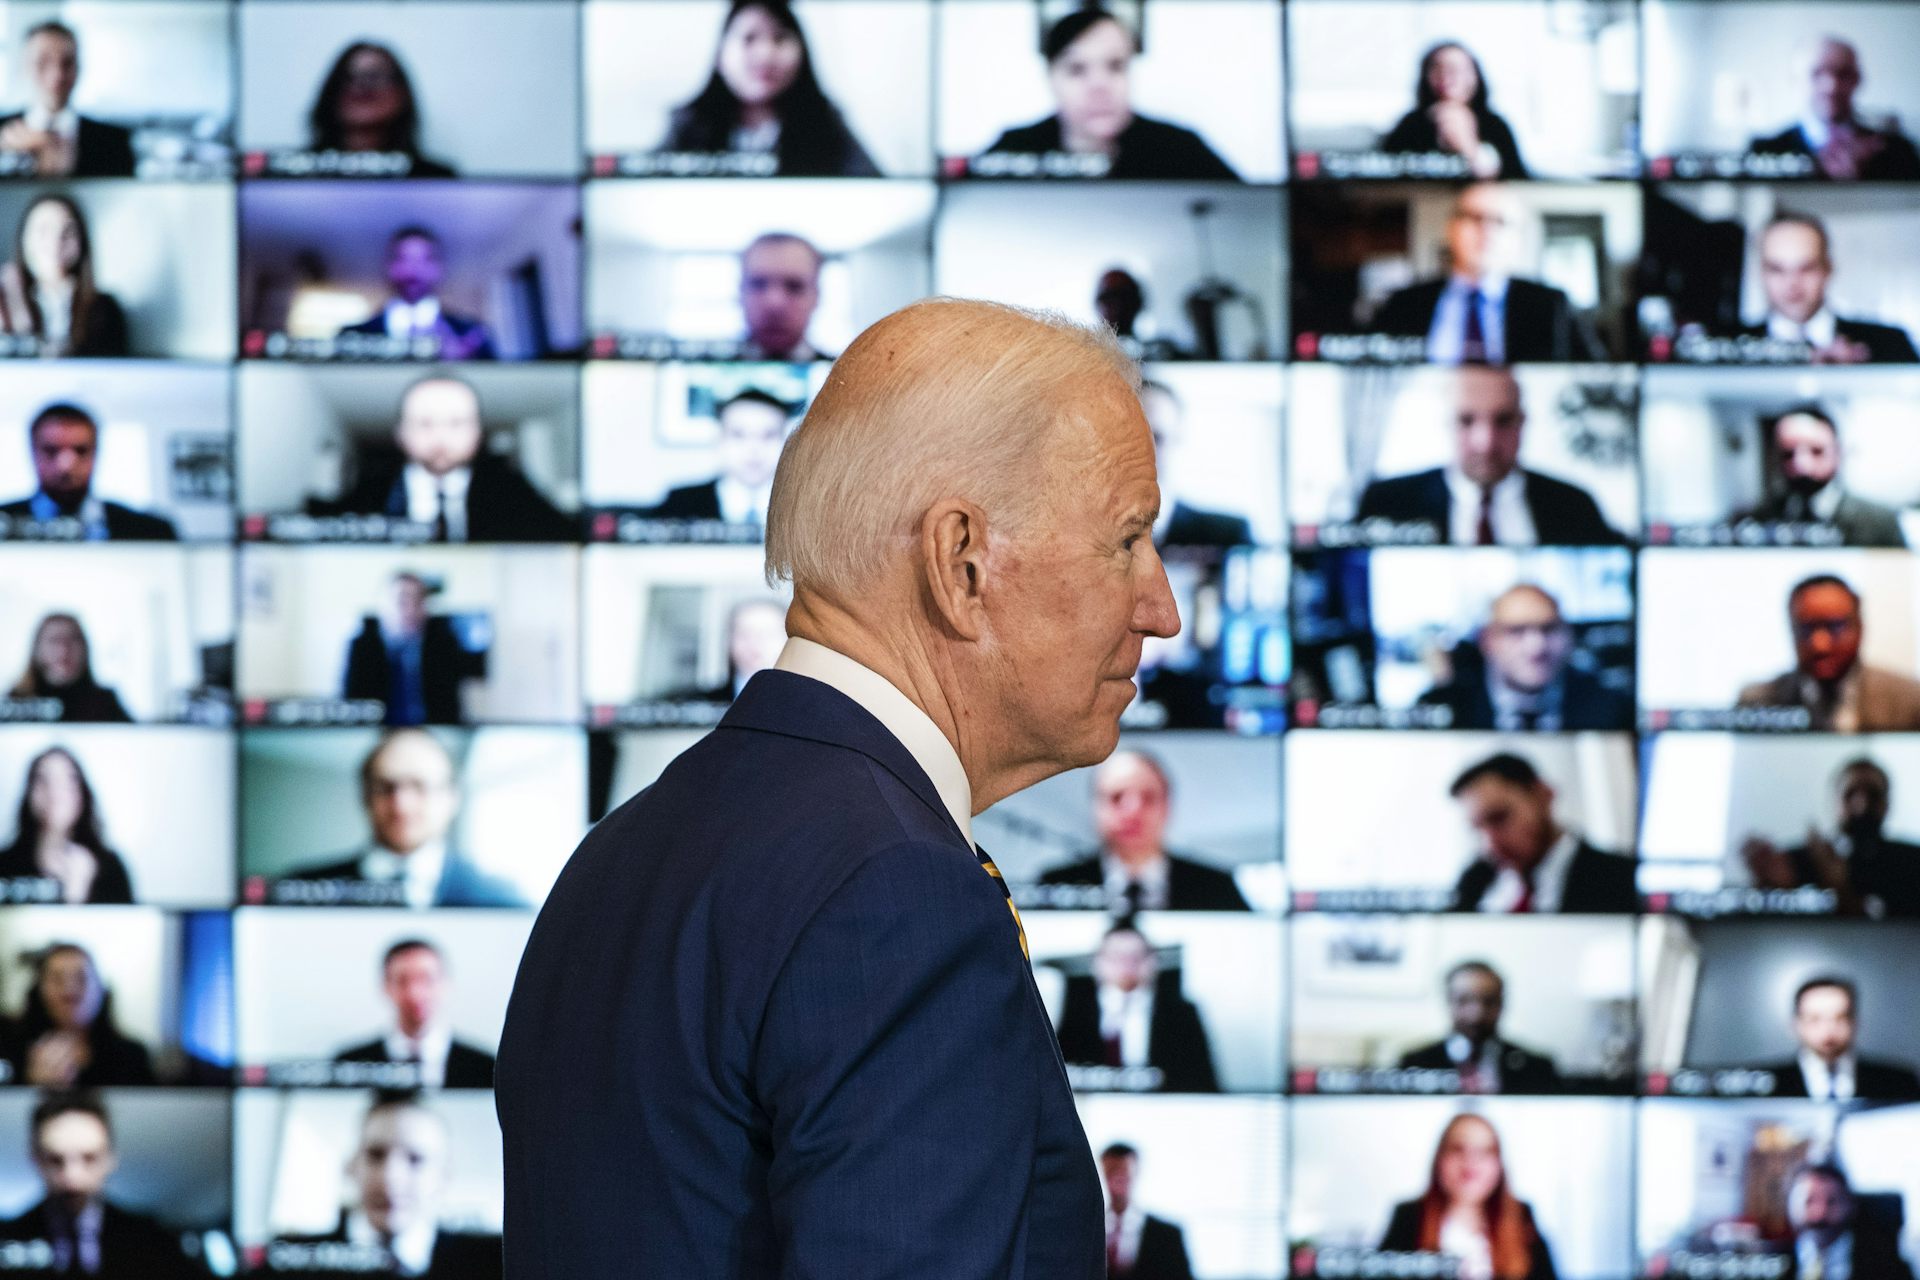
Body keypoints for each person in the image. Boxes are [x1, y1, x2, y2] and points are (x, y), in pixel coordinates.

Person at [498, 298, 1180, 1274]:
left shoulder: (622, 844)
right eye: (1128, 539)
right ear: (962, 563)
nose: (1163, 609)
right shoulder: (900, 887)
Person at [1355, 366, 1621, 545]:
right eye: (1466, 420)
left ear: (1522, 423)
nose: (1485, 442)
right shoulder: (1385, 502)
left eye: (1503, 420)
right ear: (1446, 422)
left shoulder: (1576, 506)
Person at [275, 729, 524, 908]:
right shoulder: (298, 888)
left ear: (452, 798)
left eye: (419, 786)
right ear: (365, 798)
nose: (401, 805)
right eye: (386, 787)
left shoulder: (502, 898)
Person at [981, 8, 1238, 180]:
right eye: (1077, 69)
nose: (1099, 85)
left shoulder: (1183, 151)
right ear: (1051, 78)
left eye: (1115, 66)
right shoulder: (1012, 152)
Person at [269, 1092, 503, 1279]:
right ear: (350, 1166)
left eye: (415, 1159)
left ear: (444, 1176)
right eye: (375, 1155)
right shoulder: (284, 1259)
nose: (391, 1177)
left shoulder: (493, 1262)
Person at [1372, 183, 1602, 364]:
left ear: (1517, 239)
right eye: (1474, 217)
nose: (1486, 230)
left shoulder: (1552, 305)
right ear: (1450, 229)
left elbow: (1598, 375)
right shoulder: (1402, 303)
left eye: (1500, 221)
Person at [331, 375, 573, 541]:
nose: (440, 437)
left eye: (456, 423)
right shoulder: (364, 498)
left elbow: (564, 532)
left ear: (477, 434)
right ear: (401, 434)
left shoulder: (513, 492)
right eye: (425, 423)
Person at [658, 0, 877, 177]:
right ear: (720, 56)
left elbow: (874, 191)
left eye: (780, 38)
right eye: (749, 38)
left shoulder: (826, 123)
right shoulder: (689, 124)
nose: (765, 55)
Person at [0, 1092, 193, 1279]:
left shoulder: (154, 1240)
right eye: (56, 1160)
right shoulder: (6, 1240)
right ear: (36, 1159)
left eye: (89, 1158)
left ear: (110, 1158)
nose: (72, 1177)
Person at [1038, 748, 1251, 911]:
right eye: (1116, 797)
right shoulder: (1053, 885)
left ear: (1167, 807)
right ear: (1095, 808)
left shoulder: (1217, 887)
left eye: (1148, 798)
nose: (1132, 811)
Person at [1418, 584, 1633, 731]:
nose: (1536, 647)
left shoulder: (1614, 707)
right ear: (1488, 641)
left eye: (1548, 629)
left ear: (1568, 637)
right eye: (1516, 631)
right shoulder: (1441, 706)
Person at [1446, 752, 1636, 914]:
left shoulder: (1622, 878)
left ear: (1543, 795)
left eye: (1499, 818)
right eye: (1477, 829)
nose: (1490, 844)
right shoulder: (1472, 884)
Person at [1379, 1113, 1558, 1280]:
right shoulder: (1408, 1217)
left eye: (1485, 1151)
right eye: (1458, 1149)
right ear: (1440, 1159)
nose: (1470, 1162)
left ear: (1499, 1165)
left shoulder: (1523, 1217)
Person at [1737, 574, 1920, 731]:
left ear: (1860, 628)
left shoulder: (1910, 701)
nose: (1820, 645)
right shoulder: (1757, 702)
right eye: (1806, 629)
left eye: (1835, 627)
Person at [1742, 757, 1920, 918]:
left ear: (1887, 804)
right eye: (1850, 794)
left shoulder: (1912, 861)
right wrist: (1768, 886)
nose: (1861, 805)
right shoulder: (1795, 860)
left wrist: (1839, 886)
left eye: (1873, 795)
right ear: (1834, 800)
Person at [1054, 921, 1219, 1093]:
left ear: (1154, 962)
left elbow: (1203, 1083)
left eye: (1137, 956)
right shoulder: (1073, 1014)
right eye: (1116, 956)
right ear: (1097, 963)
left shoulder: (1181, 1016)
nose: (1127, 965)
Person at [1736, 215, 1918, 363]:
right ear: (1760, 272)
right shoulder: (1730, 348)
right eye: (1777, 269)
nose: (1792, 283)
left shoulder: (1889, 344)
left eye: (1806, 268)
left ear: (1828, 268)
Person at [1750, 37, 1920, 182]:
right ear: (1795, 80)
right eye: (1816, 73)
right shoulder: (1764, 151)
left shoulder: (1897, 150)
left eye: (1843, 74)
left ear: (1858, 79)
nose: (1831, 86)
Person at [0, 402, 178, 539]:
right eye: (51, 450)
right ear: (32, 451)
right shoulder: (4, 522)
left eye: (81, 450)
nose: (66, 465)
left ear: (96, 451)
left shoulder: (150, 531)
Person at [334, 939, 497, 1088]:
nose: (415, 993)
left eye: (427, 979)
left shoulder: (487, 1067)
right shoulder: (349, 1063)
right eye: (402, 980)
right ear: (385, 987)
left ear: (447, 984)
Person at [1736, 405, 1905, 545]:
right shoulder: (1759, 517)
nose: (1801, 465)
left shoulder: (1880, 521)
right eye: (1788, 453)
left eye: (1816, 451)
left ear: (1837, 453)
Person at [340, 571, 485, 726]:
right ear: (384, 605)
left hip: (430, 736)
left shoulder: (443, 644)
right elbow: (353, 706)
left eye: (418, 601)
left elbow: (451, 708)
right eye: (402, 600)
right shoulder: (362, 647)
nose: (410, 609)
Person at [1397, 961, 1561, 1093]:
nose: (1477, 1013)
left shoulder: (1537, 1067)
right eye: (1464, 1000)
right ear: (1449, 1002)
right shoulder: (1415, 1064)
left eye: (1488, 1001)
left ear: (1502, 1004)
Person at [5, 943, 155, 1087]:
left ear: (101, 990)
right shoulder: (12, 1051)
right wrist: (30, 1084)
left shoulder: (132, 1056)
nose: (69, 990)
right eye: (57, 979)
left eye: (82, 978)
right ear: (39, 990)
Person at [0, 747, 135, 904]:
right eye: (42, 779)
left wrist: (78, 892)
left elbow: (126, 926)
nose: (54, 792)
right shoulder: (5, 864)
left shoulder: (110, 869)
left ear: (82, 793)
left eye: (69, 780)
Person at [339, 226, 496, 360]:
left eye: (424, 260)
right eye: (403, 259)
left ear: (438, 268)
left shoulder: (472, 334)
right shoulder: (352, 336)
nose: (413, 270)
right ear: (389, 267)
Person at [0, 22, 135, 178]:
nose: (57, 75)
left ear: (79, 68)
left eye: (67, 62)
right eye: (43, 62)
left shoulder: (113, 142)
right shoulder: (2, 136)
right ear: (24, 67)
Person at [0, 194, 128, 357]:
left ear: (82, 241)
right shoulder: (6, 304)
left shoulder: (105, 309)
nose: (56, 241)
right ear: (23, 239)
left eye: (68, 230)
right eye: (43, 230)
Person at [640, 388, 792, 525]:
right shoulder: (679, 503)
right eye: (738, 434)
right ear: (720, 441)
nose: (753, 449)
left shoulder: (803, 505)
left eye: (768, 435)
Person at [306, 41, 456, 177]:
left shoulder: (435, 179)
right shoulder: (296, 174)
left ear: (402, 94)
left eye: (374, 77)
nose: (362, 87)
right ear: (330, 92)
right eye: (349, 77)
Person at [1756, 976, 1920, 1100]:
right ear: (1795, 1024)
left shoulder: (1899, 1082)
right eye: (1815, 1019)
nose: (1828, 1030)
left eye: (1839, 1018)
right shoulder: (1762, 1084)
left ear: (1855, 1022)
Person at [1380, 42, 1528, 179]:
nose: (1446, 77)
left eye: (1456, 69)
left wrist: (1468, 145)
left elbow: (1518, 182)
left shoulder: (1495, 126)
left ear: (1475, 76)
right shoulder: (1410, 125)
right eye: (1437, 68)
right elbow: (1383, 176)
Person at [1140, 381, 1252, 548]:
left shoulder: (1228, 536)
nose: (1142, 450)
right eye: (1128, 437)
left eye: (1158, 438)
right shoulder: (1088, 535)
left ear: (1177, 441)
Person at [1780, 1163, 1917, 1280]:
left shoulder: (1885, 1262)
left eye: (1832, 1202)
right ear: (1789, 1204)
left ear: (1850, 1206)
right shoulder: (1772, 1260)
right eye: (1808, 1201)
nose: (1820, 1214)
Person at [9, 614, 131, 723]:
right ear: (38, 648)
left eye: (73, 640)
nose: (64, 649)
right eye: (55, 640)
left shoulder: (104, 702)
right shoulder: (15, 702)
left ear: (85, 647)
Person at [1098, 1143, 1194, 1280]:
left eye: (1124, 1172)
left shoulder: (1168, 1235)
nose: (1117, 1178)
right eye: (1112, 1171)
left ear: (1137, 1172)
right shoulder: (1088, 1231)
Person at [675, 597, 788, 703]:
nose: (754, 642)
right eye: (744, 633)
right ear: (728, 640)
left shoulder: (802, 704)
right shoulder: (696, 704)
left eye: (767, 633)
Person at [737, 232, 829, 360]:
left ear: (817, 296)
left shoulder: (849, 378)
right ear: (740, 293)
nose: (774, 304)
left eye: (794, 286)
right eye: (758, 284)